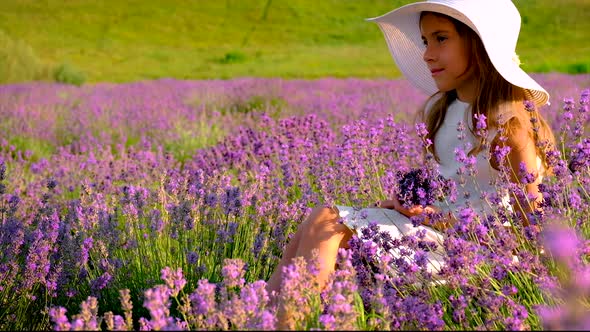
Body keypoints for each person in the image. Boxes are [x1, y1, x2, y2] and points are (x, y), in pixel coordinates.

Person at [266, 0, 557, 328]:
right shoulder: (447, 111)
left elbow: (531, 223)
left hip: (473, 255)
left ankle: (288, 324)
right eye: (425, 41)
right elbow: (453, 192)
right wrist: (405, 208)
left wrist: (437, 219)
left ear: (480, 44)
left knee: (328, 222)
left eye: (441, 39)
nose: (427, 54)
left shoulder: (508, 123)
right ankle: (266, 321)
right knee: (317, 222)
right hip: (434, 234)